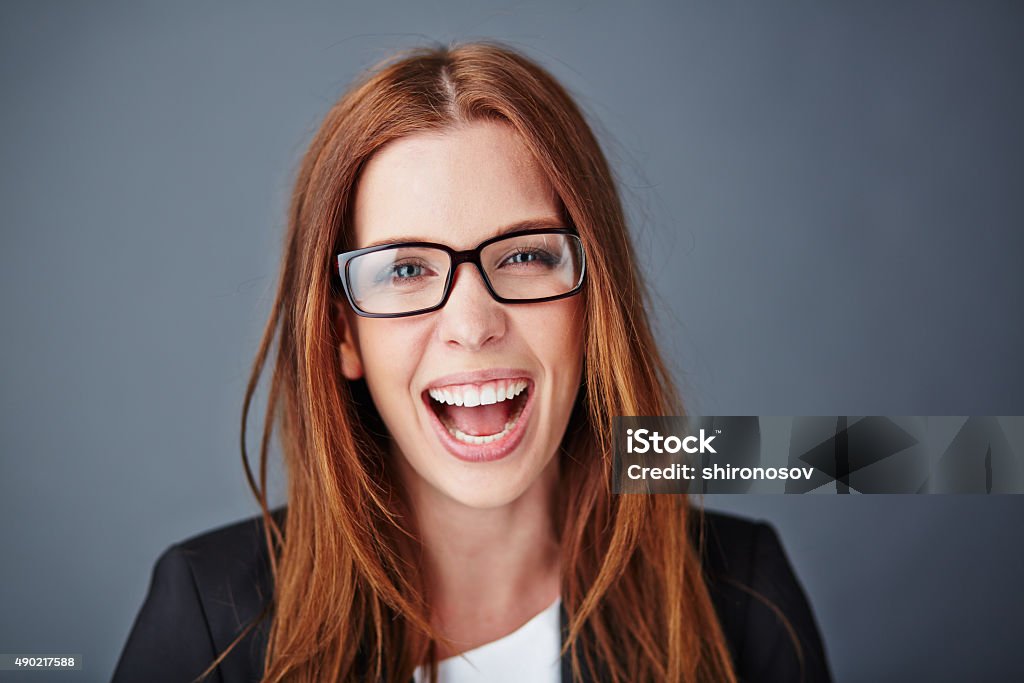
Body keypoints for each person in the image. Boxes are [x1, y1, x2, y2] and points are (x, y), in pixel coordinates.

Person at [113, 42, 832, 683]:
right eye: (405, 270)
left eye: (524, 256)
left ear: (593, 302)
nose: (472, 325)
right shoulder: (209, 615)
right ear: (343, 332)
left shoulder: (741, 590)